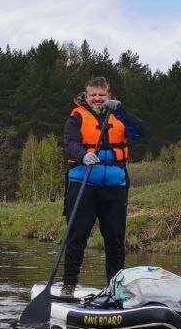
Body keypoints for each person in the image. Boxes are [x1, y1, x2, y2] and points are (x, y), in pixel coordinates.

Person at [60, 76, 145, 295]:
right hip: (83, 184)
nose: (97, 98)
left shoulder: (119, 116)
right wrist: (82, 155)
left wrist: (122, 112)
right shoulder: (76, 117)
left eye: (101, 95)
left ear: (109, 95)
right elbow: (70, 144)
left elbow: (140, 133)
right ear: (86, 96)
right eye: (93, 95)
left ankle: (114, 288)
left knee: (115, 240)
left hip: (115, 188)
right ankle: (68, 285)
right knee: (76, 237)